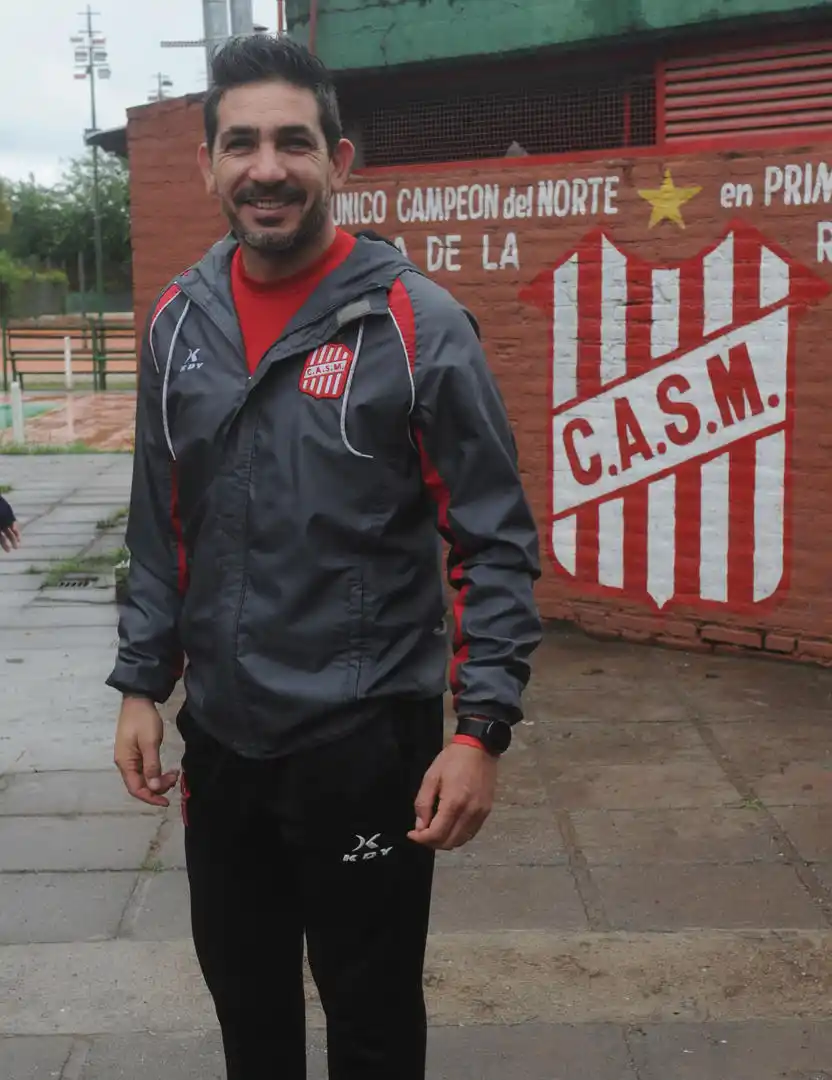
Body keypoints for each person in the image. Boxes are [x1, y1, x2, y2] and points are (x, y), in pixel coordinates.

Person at [109, 33, 541, 1080]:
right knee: (247, 1008)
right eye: (242, 144)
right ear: (209, 164)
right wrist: (141, 683)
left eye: (293, 142)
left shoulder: (415, 324)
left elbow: (492, 540)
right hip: (224, 742)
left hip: (366, 746)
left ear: (338, 160)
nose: (268, 168)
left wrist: (480, 730)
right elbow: (161, 521)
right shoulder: (178, 323)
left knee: (373, 1017)